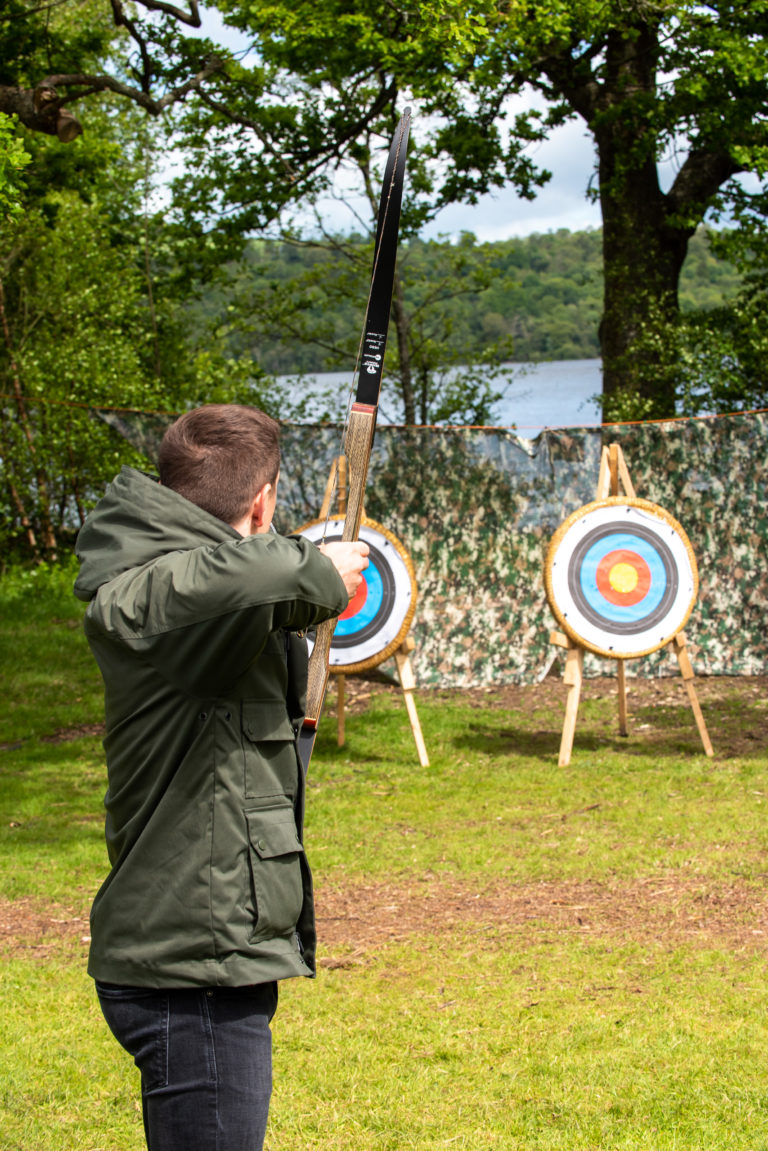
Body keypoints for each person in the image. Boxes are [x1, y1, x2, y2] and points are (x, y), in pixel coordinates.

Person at [73, 403, 369, 1151]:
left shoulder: (198, 593)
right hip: (189, 971)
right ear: (263, 500)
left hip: (201, 953)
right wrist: (316, 565)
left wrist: (317, 584)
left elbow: (259, 590)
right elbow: (257, 571)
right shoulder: (154, 592)